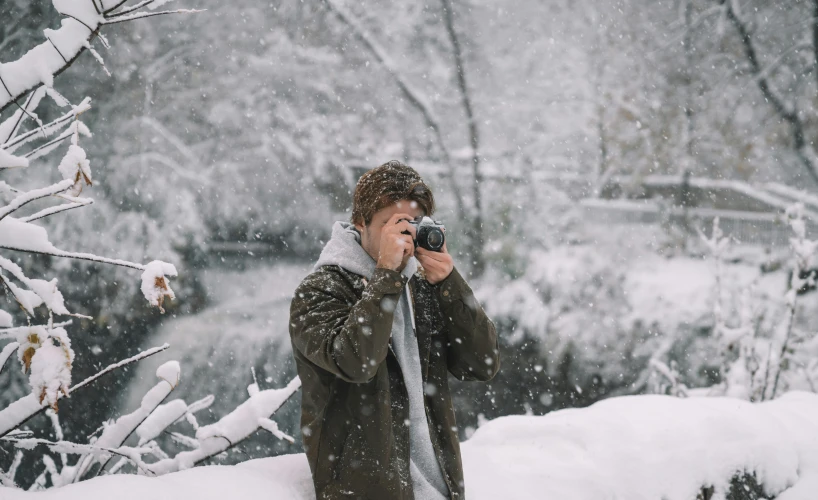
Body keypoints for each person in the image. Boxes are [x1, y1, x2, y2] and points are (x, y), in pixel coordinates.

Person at [289, 160, 499, 499]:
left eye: (412, 225)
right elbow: (355, 363)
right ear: (360, 222)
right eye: (392, 224)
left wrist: (450, 283)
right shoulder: (320, 290)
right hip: (366, 491)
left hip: (439, 488)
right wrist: (386, 274)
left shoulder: (423, 282)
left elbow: (482, 363)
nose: (403, 236)